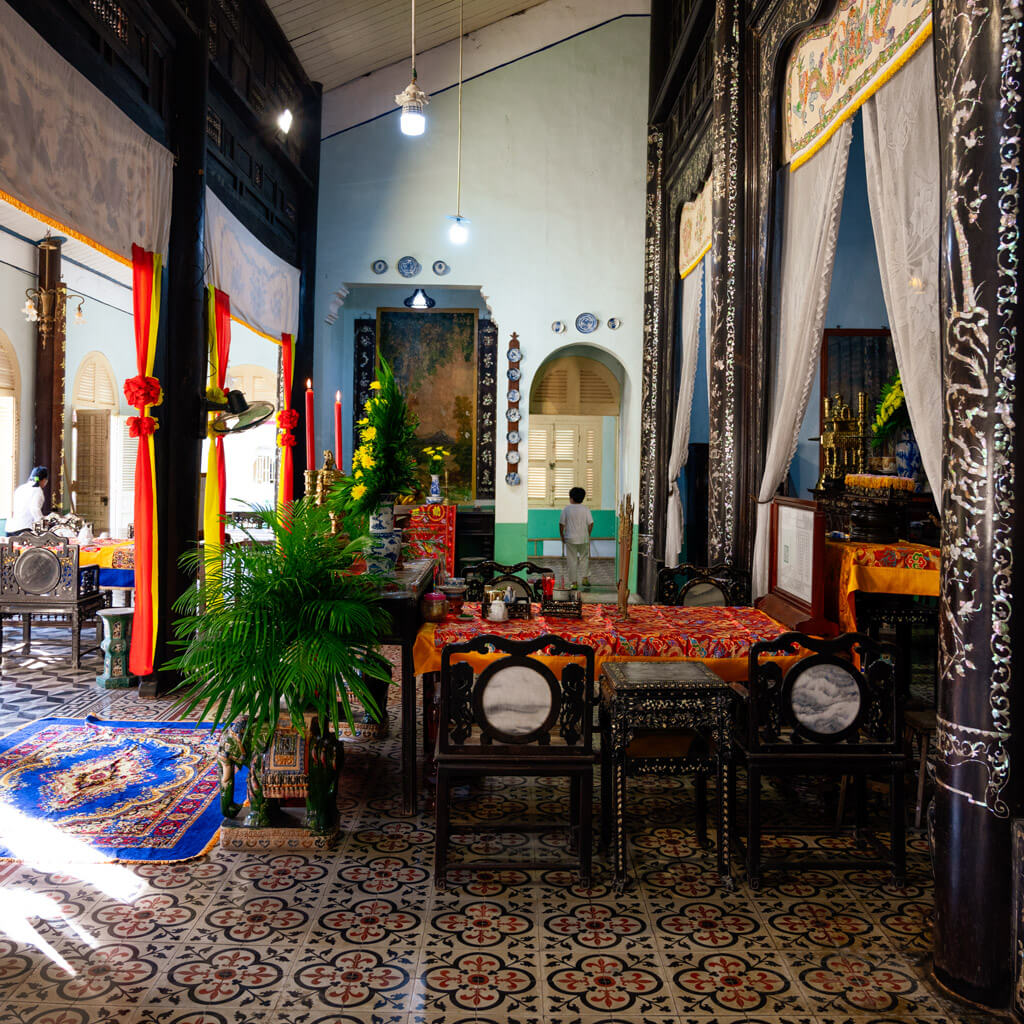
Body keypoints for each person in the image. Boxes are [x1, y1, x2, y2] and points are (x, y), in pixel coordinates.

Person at [559, 486, 593, 590]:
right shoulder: (585, 509)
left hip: (570, 539)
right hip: (583, 539)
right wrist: (588, 534)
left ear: (571, 498)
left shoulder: (566, 509)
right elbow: (591, 523)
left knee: (571, 560)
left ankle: (574, 582)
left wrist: (562, 537)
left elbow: (561, 524)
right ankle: (585, 579)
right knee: (584, 558)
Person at [6, 466, 48, 534]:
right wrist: (43, 522)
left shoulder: (21, 488)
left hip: (10, 528)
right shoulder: (37, 490)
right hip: (23, 529)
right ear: (44, 480)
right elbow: (34, 509)